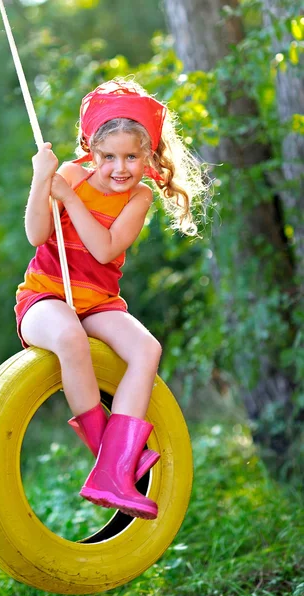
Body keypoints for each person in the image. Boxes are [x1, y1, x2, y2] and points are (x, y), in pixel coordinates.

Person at [14, 77, 207, 520]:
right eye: (108, 157)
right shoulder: (68, 176)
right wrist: (44, 180)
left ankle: (112, 469)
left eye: (132, 157)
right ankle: (113, 464)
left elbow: (104, 249)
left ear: (147, 157)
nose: (120, 167)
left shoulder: (138, 197)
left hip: (98, 301)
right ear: (90, 150)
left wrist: (70, 201)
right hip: (45, 296)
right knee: (68, 334)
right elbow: (36, 235)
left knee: (146, 347)